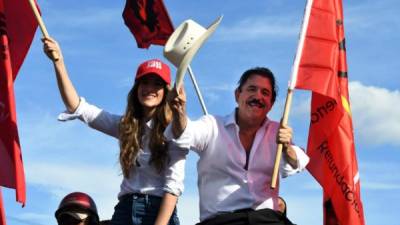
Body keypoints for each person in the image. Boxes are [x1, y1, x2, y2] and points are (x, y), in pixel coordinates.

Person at [43, 37, 187, 225]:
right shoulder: (125, 127)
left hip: (159, 211)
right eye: (145, 82)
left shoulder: (175, 130)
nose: (150, 89)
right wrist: (59, 62)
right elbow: (77, 107)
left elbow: (173, 188)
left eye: (157, 84)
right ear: (136, 88)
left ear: (166, 91)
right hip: (125, 211)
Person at [167, 67, 310, 225]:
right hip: (221, 221)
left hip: (265, 220)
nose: (257, 96)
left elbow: (297, 163)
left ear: (271, 104)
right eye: (251, 89)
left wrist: (287, 147)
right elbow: (184, 134)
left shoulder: (278, 131)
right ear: (237, 95)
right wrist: (179, 112)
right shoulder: (212, 125)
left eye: (265, 93)